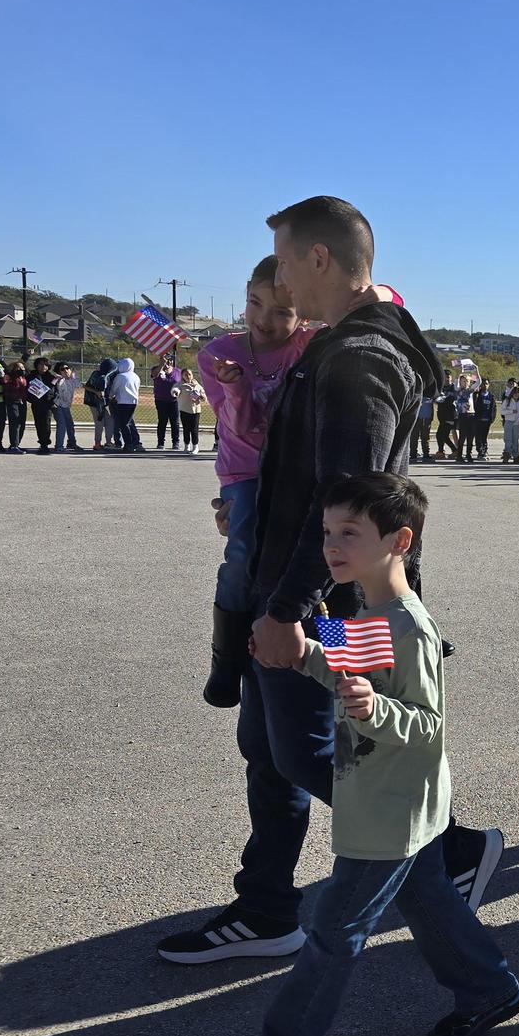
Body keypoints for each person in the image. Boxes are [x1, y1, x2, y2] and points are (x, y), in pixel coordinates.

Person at [156, 195, 500, 966]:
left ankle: (450, 857)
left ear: (318, 260)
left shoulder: (359, 357)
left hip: (330, 607)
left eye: (283, 261)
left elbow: (350, 501)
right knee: (270, 747)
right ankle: (268, 907)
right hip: (308, 593)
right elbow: (313, 476)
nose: (278, 280)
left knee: (311, 752)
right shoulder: (346, 342)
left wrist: (286, 610)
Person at [204, 473, 519, 1036]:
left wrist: (375, 709)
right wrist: (301, 656)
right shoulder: (364, 610)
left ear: (399, 540)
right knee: (430, 899)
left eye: (349, 533)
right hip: (386, 798)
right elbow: (349, 664)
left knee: (332, 933)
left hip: (390, 809)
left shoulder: (409, 627)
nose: (331, 546)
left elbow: (427, 724)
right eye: (327, 532)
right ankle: (489, 989)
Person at [197, 254, 316, 708]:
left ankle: (334, 649)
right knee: (243, 549)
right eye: (254, 303)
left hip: (293, 468)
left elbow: (387, 301)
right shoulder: (218, 355)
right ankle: (226, 659)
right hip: (245, 469)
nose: (264, 319)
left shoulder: (311, 343)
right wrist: (236, 387)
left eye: (282, 310)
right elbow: (242, 426)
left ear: (302, 311)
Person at [107, 356, 143, 451]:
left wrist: (110, 397)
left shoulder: (120, 376)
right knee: (129, 422)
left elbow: (114, 389)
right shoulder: (136, 376)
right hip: (133, 402)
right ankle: (136, 442)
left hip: (122, 402)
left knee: (124, 424)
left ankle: (128, 444)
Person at [26, 358, 57, 454]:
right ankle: (41, 442)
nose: (43, 367)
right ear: (36, 365)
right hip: (36, 404)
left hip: (47, 405)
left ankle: (45, 444)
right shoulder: (31, 376)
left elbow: (54, 391)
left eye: (46, 365)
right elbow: (29, 389)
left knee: (46, 424)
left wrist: (51, 400)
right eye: (41, 364)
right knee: (38, 424)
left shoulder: (52, 377)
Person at [50, 362, 82, 452]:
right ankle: (59, 446)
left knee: (70, 424)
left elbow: (79, 385)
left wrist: (74, 374)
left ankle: (71, 443)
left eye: (67, 368)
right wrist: (58, 378)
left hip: (66, 406)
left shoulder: (72, 379)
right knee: (62, 425)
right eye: (62, 369)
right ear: (59, 371)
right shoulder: (58, 380)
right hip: (57, 405)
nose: (65, 370)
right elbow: (54, 385)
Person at [84, 356, 113, 450]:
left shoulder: (108, 376)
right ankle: (97, 443)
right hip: (94, 403)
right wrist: (96, 392)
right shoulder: (97, 375)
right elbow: (87, 386)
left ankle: (108, 442)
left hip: (105, 403)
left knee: (109, 421)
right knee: (99, 422)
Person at [153, 358, 183, 449]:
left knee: (175, 422)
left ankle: (175, 442)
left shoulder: (178, 371)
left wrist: (179, 391)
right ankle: (161, 442)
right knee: (162, 421)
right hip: (161, 400)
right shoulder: (157, 369)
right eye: (165, 361)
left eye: (169, 361)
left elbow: (182, 383)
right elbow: (154, 374)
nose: (167, 363)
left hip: (174, 401)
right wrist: (161, 365)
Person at [500, 382, 519, 463]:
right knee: (508, 439)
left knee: (515, 440)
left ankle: (516, 456)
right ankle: (506, 455)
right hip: (509, 422)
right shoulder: (507, 401)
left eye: (518, 393)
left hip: (517, 423)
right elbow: (502, 411)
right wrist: (511, 411)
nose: (516, 394)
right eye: (515, 392)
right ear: (512, 393)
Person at [175, 371, 205, 451]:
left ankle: (195, 447)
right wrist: (176, 392)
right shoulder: (180, 385)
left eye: (189, 374)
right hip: (184, 410)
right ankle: (186, 446)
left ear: (192, 375)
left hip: (195, 411)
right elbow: (175, 389)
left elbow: (204, 396)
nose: (188, 376)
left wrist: (202, 397)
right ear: (182, 376)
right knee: (186, 429)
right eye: (185, 374)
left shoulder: (197, 385)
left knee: (194, 429)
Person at [4, 361, 29, 452]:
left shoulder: (24, 377)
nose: (21, 369)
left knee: (21, 423)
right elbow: (6, 385)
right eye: (18, 368)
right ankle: (13, 445)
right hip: (12, 402)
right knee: (15, 422)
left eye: (22, 368)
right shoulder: (9, 377)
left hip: (22, 402)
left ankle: (17, 444)